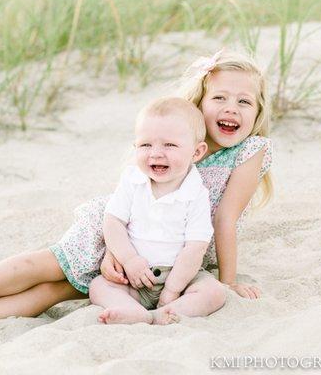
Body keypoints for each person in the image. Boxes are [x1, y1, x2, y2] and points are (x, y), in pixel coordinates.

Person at [0, 49, 272, 341]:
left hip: (167, 257)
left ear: (257, 112)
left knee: (50, 293)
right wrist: (113, 251)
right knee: (40, 267)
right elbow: (124, 209)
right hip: (116, 239)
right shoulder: (169, 139)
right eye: (220, 98)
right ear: (200, 103)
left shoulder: (248, 151)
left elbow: (223, 219)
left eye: (244, 102)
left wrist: (228, 280)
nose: (231, 109)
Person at [89, 97, 225, 325]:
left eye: (169, 145)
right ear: (135, 147)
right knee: (99, 286)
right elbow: (113, 222)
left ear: (197, 152)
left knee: (214, 292)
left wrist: (172, 290)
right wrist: (129, 260)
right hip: (134, 277)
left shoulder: (196, 193)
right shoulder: (132, 180)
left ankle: (171, 311)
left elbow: (195, 247)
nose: (156, 153)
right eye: (145, 145)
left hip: (181, 277)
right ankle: (131, 310)